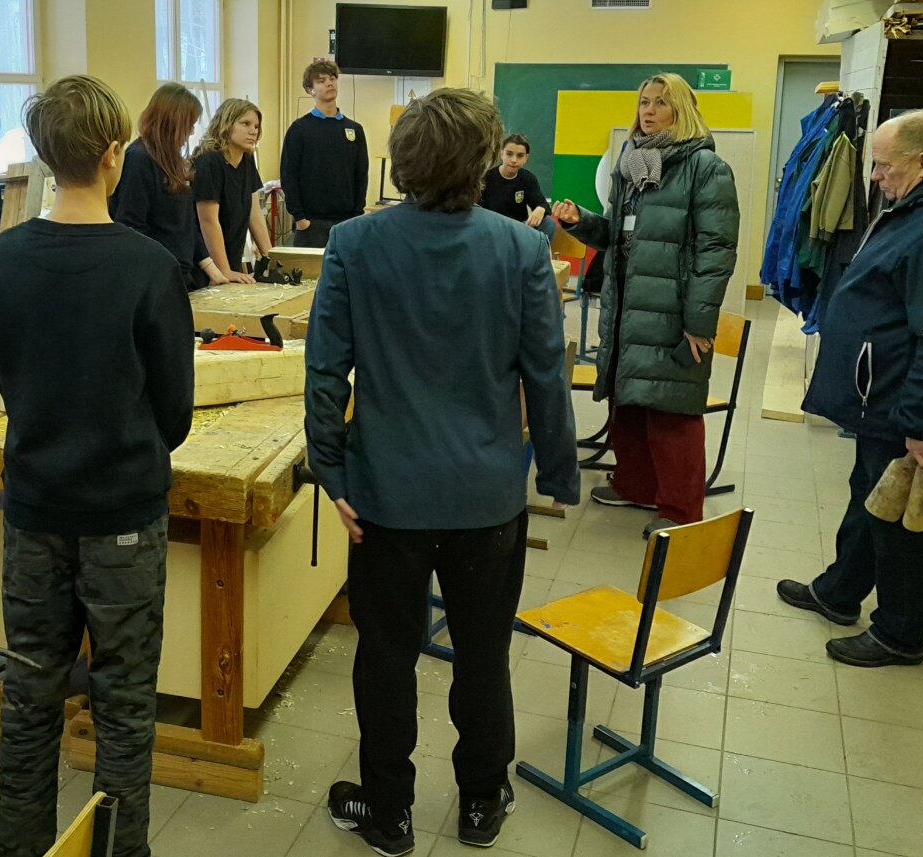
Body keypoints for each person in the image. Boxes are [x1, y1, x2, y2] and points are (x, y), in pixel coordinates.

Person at [305, 88, 579, 856]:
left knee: (386, 657)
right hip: (486, 496)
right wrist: (558, 472)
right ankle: (482, 800)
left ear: (401, 161)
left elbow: (325, 370)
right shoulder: (520, 249)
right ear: (485, 162)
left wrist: (331, 473)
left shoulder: (355, 242)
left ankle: (388, 810)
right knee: (483, 655)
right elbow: (546, 375)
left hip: (385, 495)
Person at [0, 75, 194, 857]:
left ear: (46, 156)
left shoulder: (2, 258)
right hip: (122, 516)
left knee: (29, 697)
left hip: (35, 511)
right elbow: (175, 411)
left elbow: (7, 374)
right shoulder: (148, 266)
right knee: (125, 705)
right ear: (113, 154)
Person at [777, 109, 923, 668]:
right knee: (870, 495)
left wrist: (921, 422)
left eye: (883, 165)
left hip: (908, 403)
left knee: (904, 520)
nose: (875, 177)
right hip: (884, 394)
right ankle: (839, 591)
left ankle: (899, 634)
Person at [553, 72, 739, 536]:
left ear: (682, 110)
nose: (649, 111)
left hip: (673, 311)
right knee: (629, 401)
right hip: (627, 305)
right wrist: (580, 222)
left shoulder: (706, 167)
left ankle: (680, 512)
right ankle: (636, 486)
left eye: (660, 102)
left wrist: (699, 322)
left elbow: (716, 252)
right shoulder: (632, 164)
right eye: (644, 102)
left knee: (671, 410)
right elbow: (617, 234)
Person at [111, 82, 219, 290]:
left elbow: (186, 224)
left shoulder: (170, 159)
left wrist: (212, 269)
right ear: (172, 123)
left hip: (180, 275)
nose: (191, 132)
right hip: (157, 278)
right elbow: (132, 226)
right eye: (188, 125)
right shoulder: (139, 159)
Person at [280, 60, 369, 248]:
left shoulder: (354, 129)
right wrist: (300, 218)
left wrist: (357, 215)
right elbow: (289, 175)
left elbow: (361, 175)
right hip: (310, 224)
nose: (329, 83)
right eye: (321, 81)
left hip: (346, 222)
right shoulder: (299, 129)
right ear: (310, 89)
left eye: (332, 78)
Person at [191, 98, 273, 283]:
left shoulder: (247, 160)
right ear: (226, 124)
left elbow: (254, 214)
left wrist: (271, 258)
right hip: (206, 266)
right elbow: (208, 221)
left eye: (256, 126)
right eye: (245, 124)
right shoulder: (210, 162)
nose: (253, 131)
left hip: (231, 258)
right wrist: (224, 270)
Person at [480, 133, 555, 242]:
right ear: (501, 154)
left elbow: (542, 204)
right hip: (494, 230)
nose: (514, 160)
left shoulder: (528, 179)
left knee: (549, 222)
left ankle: (538, 252)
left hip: (519, 229)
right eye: (509, 154)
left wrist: (541, 208)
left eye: (520, 156)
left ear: (526, 158)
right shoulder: (487, 178)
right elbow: (477, 210)